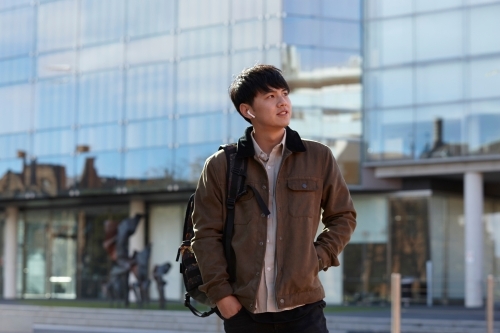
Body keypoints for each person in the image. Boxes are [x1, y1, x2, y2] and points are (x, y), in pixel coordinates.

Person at [192, 64, 356, 333]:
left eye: (284, 93)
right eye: (270, 96)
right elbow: (206, 234)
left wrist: (316, 258)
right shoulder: (221, 165)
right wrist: (222, 297)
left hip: (304, 309)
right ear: (248, 110)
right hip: (245, 311)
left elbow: (343, 217)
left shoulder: (319, 157)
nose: (282, 102)